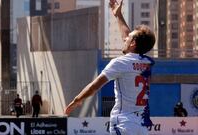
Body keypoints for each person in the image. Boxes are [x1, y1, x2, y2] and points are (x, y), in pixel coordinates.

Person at [65, 0, 156, 135]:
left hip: (123, 123)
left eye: (128, 39)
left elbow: (94, 87)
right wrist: (118, 15)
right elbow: (129, 38)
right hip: (141, 127)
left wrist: (77, 100)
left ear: (133, 43)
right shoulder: (146, 64)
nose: (125, 39)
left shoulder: (120, 63)